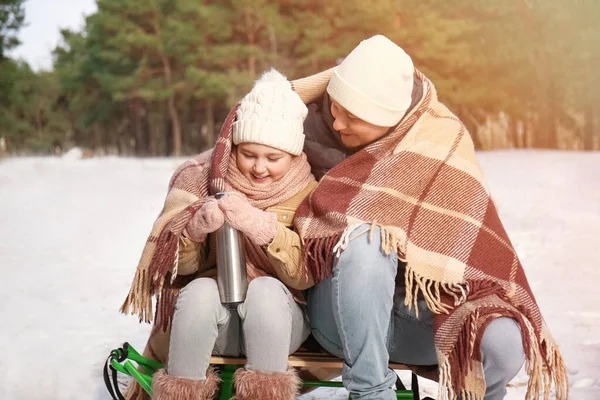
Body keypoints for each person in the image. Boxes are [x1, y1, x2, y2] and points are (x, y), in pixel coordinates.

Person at [287, 35, 568, 400]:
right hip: (340, 312)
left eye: (352, 117)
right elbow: (247, 167)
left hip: (421, 312)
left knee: (504, 343)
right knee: (370, 238)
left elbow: (467, 233)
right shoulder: (300, 124)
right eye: (335, 108)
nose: (337, 123)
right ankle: (372, 392)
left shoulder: (440, 139)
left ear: (388, 118)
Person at [120, 69, 317, 400]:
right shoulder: (209, 182)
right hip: (219, 321)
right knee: (198, 290)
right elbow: (177, 270)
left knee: (267, 290)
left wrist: (263, 227)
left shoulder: (309, 193)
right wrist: (194, 231)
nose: (259, 167)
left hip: (282, 323)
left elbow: (306, 274)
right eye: (249, 154)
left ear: (294, 153)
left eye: (273, 157)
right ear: (234, 148)